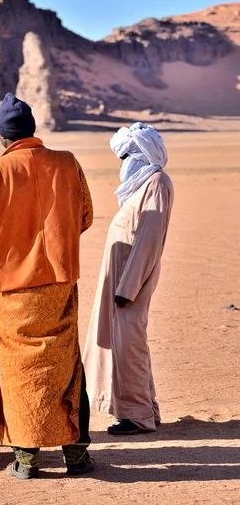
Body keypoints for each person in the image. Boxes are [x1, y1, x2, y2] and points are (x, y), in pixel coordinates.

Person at [0, 93, 95, 480]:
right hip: (58, 284)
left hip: (12, 292)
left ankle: (26, 459)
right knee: (66, 367)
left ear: (3, 137)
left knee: (20, 372)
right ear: (33, 130)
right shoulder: (67, 162)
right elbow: (84, 216)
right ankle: (76, 455)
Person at [83, 122, 174, 435]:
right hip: (122, 280)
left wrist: (128, 287)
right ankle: (146, 410)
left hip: (131, 282)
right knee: (127, 344)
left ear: (139, 154)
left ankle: (137, 417)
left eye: (124, 157)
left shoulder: (157, 182)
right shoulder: (144, 183)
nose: (121, 164)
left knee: (129, 346)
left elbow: (149, 239)